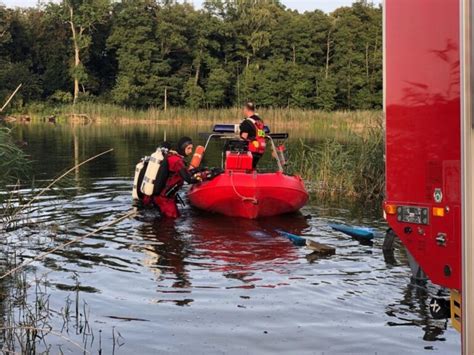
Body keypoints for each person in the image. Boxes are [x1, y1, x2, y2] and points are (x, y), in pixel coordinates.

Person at [143, 137, 202, 218]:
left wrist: (197, 170)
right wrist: (201, 178)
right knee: (171, 220)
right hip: (164, 199)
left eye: (191, 148)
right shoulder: (177, 161)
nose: (191, 151)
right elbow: (188, 179)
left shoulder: (172, 157)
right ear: (183, 147)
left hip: (160, 197)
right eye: (189, 148)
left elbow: (183, 173)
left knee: (173, 217)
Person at [239, 102, 266, 169]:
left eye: (244, 109)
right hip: (260, 149)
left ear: (246, 109)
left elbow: (244, 136)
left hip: (251, 149)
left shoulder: (247, 122)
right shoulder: (260, 121)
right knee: (253, 167)